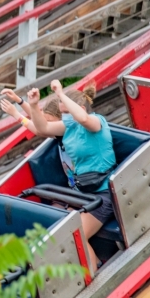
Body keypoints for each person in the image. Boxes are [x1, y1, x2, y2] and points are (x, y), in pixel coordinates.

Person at [25, 80, 116, 271]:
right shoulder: (69, 127)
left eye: (66, 113)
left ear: (79, 108)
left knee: (73, 233)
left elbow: (83, 119)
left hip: (103, 193)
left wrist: (61, 93)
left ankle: (95, 271)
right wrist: (33, 105)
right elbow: (42, 128)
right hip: (82, 192)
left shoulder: (97, 122)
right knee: (55, 229)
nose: (63, 117)